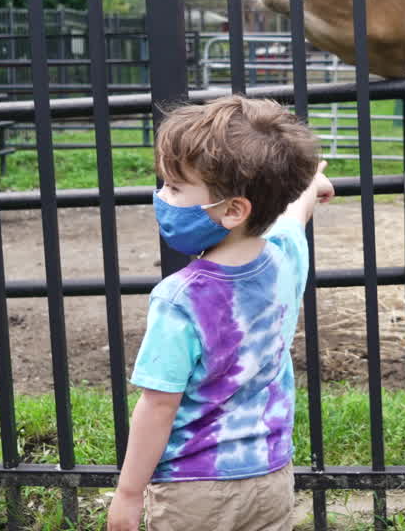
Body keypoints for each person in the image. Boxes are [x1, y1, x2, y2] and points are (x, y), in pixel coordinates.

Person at [106, 95, 334, 531]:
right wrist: (311, 184)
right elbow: (293, 211)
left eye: (175, 188)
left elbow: (157, 405)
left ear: (233, 210)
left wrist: (129, 493)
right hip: (270, 477)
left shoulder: (180, 299)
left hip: (193, 491)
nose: (162, 197)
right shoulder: (286, 257)